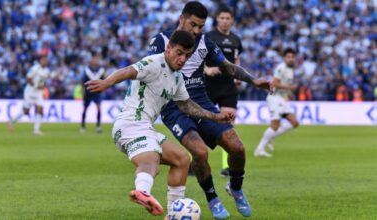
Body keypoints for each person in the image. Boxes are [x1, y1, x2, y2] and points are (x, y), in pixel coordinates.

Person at [85, 30, 234, 217]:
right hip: (130, 124)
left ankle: (172, 214)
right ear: (169, 48)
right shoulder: (154, 62)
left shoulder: (178, 77)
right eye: (179, 53)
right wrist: (107, 83)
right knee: (151, 159)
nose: (182, 59)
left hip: (145, 127)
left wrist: (214, 116)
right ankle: (143, 192)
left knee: (181, 159)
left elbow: (186, 105)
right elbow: (128, 71)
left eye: (186, 56)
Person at [148, 1, 272, 219]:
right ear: (181, 19)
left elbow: (227, 66)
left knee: (237, 147)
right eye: (193, 25)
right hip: (174, 108)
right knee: (199, 151)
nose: (196, 31)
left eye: (200, 27)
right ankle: (213, 198)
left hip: (202, 101)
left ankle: (236, 188)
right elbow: (148, 71)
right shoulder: (162, 41)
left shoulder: (205, 42)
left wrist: (253, 80)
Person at [204, 6, 243, 177]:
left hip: (228, 86)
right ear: (217, 19)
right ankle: (195, 162)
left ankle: (227, 166)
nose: (225, 21)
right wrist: (207, 69)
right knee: (199, 124)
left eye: (228, 18)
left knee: (228, 125)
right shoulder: (208, 37)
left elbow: (236, 59)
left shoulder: (236, 40)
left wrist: (238, 75)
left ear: (232, 20)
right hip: (209, 85)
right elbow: (197, 58)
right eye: (222, 18)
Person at [254, 48, 299, 157]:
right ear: (284, 58)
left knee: (295, 123)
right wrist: (289, 87)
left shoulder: (291, 69)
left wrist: (289, 93)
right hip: (274, 98)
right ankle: (259, 150)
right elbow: (274, 83)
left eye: (292, 57)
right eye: (288, 57)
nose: (291, 59)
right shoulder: (281, 68)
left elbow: (283, 85)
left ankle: (270, 137)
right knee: (274, 125)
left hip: (282, 99)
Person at [8, 55, 50, 135]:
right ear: (40, 60)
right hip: (30, 91)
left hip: (39, 93)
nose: (45, 62)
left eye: (46, 60)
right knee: (26, 111)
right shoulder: (35, 68)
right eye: (44, 60)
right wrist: (36, 86)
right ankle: (11, 122)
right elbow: (28, 78)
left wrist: (42, 86)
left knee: (40, 110)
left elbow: (43, 81)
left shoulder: (47, 71)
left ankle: (36, 130)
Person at [81, 54, 107, 133]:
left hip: (97, 91)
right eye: (94, 59)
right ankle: (83, 126)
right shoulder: (87, 69)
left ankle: (98, 126)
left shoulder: (101, 70)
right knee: (85, 109)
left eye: (97, 59)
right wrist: (83, 91)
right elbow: (83, 81)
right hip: (88, 91)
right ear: (91, 61)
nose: (96, 61)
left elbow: (105, 80)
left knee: (98, 108)